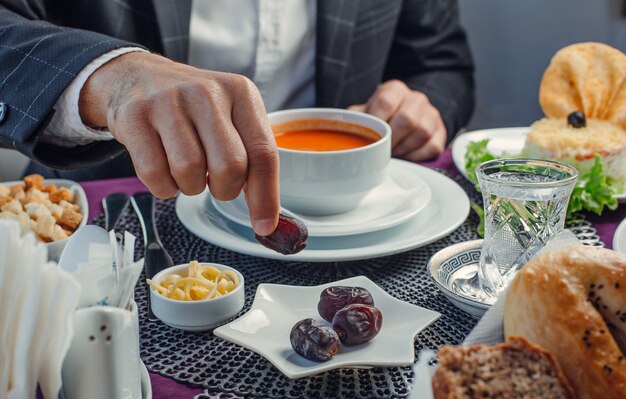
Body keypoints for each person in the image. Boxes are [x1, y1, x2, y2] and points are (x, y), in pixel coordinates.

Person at [0, 0, 474, 236]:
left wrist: (425, 105)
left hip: (353, 233)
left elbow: (440, 63)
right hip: (119, 226)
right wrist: (110, 77)